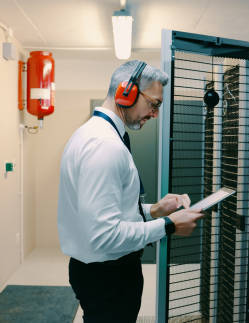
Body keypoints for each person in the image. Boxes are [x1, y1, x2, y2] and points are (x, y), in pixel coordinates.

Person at [57, 60, 204, 322]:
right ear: (126, 93)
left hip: (100, 273)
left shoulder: (94, 135)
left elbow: (107, 211)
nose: (156, 113)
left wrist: (155, 210)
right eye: (154, 104)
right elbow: (104, 235)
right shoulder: (105, 146)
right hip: (109, 276)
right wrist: (168, 224)